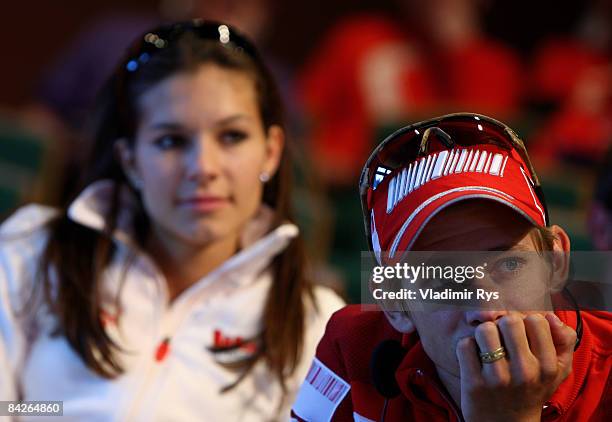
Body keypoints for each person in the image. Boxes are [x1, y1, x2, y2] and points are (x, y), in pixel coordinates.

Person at [0, 20, 344, 420]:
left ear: (270, 151)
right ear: (130, 160)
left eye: (231, 136)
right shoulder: (32, 252)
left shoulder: (317, 325)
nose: (203, 167)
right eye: (171, 140)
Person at [291, 113, 611, 421]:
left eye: (510, 264)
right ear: (393, 301)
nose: (486, 310)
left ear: (556, 261)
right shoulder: (354, 350)